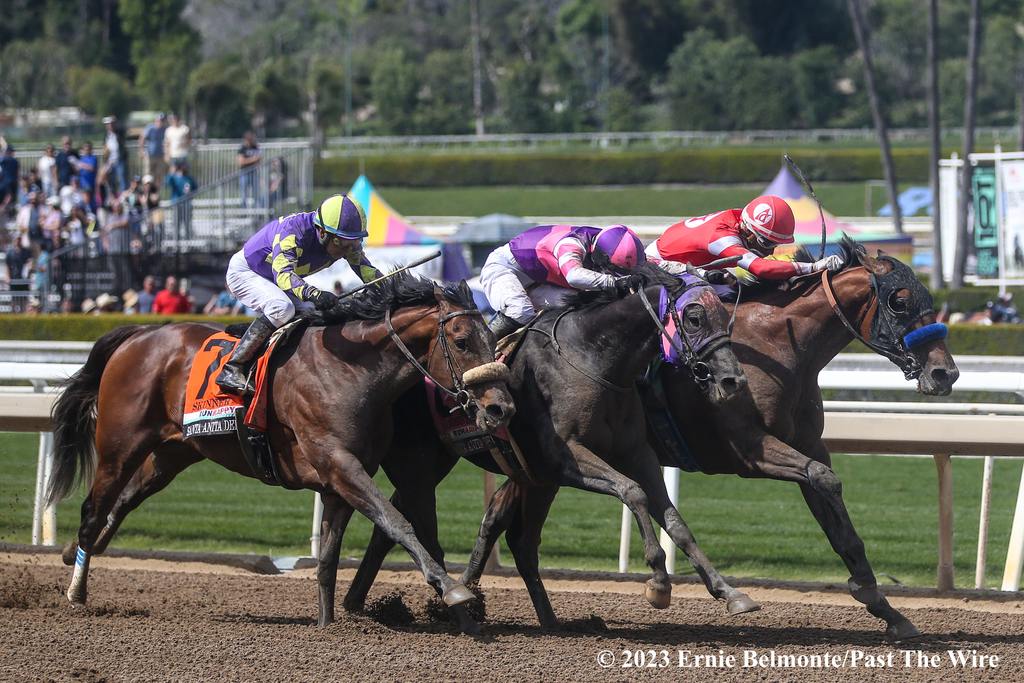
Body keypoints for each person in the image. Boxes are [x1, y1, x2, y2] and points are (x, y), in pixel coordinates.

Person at [216, 194, 382, 393]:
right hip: (246, 272)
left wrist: (394, 288)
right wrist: (315, 294)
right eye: (341, 243)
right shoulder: (293, 232)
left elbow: (366, 271)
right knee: (281, 307)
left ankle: (259, 334)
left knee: (311, 313)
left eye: (353, 242)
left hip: (272, 278)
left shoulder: (342, 239)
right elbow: (283, 275)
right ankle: (232, 367)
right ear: (322, 232)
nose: (348, 249)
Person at [480, 223, 647, 338]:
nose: (613, 274)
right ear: (600, 255)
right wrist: (614, 282)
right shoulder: (571, 243)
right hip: (505, 268)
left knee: (583, 305)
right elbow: (574, 276)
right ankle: (484, 347)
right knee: (521, 310)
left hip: (540, 281)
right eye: (611, 270)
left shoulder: (606, 243)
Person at [646, 195, 841, 286]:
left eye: (775, 245)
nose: (771, 252)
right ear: (748, 231)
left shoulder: (740, 219)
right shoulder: (723, 238)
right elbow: (761, 268)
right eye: (766, 244)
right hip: (659, 266)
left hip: (687, 263)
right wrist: (813, 267)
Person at [139, 113, 167, 189]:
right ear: (156, 120)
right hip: (149, 155)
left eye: (162, 121)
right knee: (148, 175)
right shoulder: (150, 128)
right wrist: (141, 150)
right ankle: (146, 192)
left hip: (160, 156)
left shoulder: (165, 129)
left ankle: (156, 193)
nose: (160, 122)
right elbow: (142, 138)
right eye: (159, 120)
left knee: (159, 175)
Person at [102, 116, 128, 194]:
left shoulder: (119, 133)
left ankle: (124, 197)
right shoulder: (107, 136)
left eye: (111, 124)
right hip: (110, 162)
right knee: (111, 180)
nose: (110, 126)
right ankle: (113, 197)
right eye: (108, 124)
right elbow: (105, 148)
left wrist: (116, 122)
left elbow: (123, 130)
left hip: (119, 160)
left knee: (122, 179)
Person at [237, 131, 262, 208]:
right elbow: (241, 162)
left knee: (256, 193)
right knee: (243, 194)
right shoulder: (242, 148)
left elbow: (260, 159)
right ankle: (243, 210)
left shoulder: (255, 147)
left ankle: (257, 210)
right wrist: (253, 159)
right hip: (244, 173)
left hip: (254, 173)